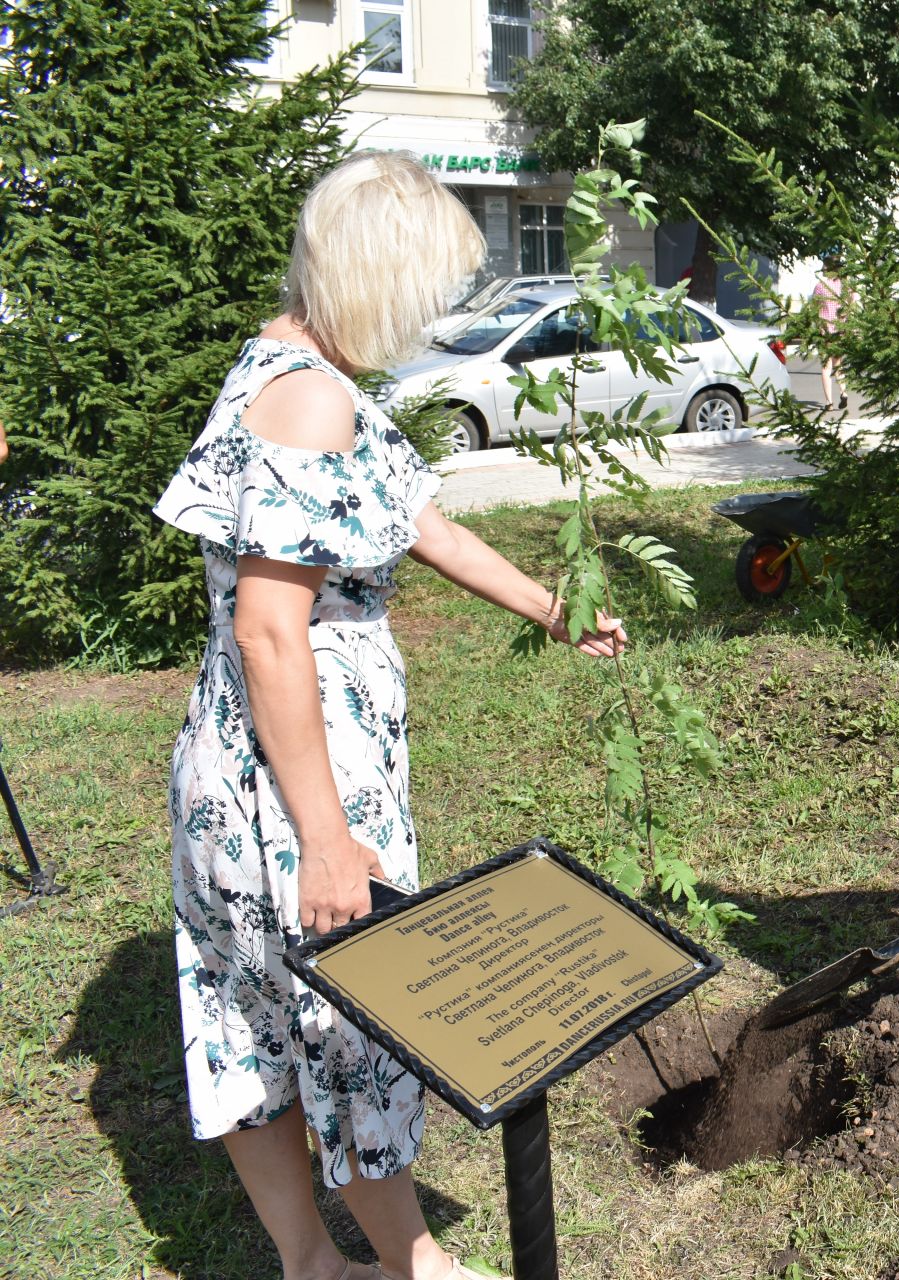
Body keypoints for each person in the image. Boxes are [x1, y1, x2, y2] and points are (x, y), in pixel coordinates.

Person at [154, 151, 626, 1280]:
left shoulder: (296, 361)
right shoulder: (312, 399)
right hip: (292, 778)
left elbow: (420, 517)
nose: (431, 319)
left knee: (252, 1021)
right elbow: (272, 630)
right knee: (353, 1019)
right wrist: (327, 837)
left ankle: (314, 1261)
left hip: (251, 756)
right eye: (426, 293)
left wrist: (550, 606)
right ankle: (413, 1264)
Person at [812, 256, 847, 410]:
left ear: (827, 269)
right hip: (839, 329)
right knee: (838, 364)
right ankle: (844, 393)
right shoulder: (842, 285)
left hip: (825, 331)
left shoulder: (820, 287)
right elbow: (849, 303)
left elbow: (814, 308)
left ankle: (829, 403)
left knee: (826, 368)